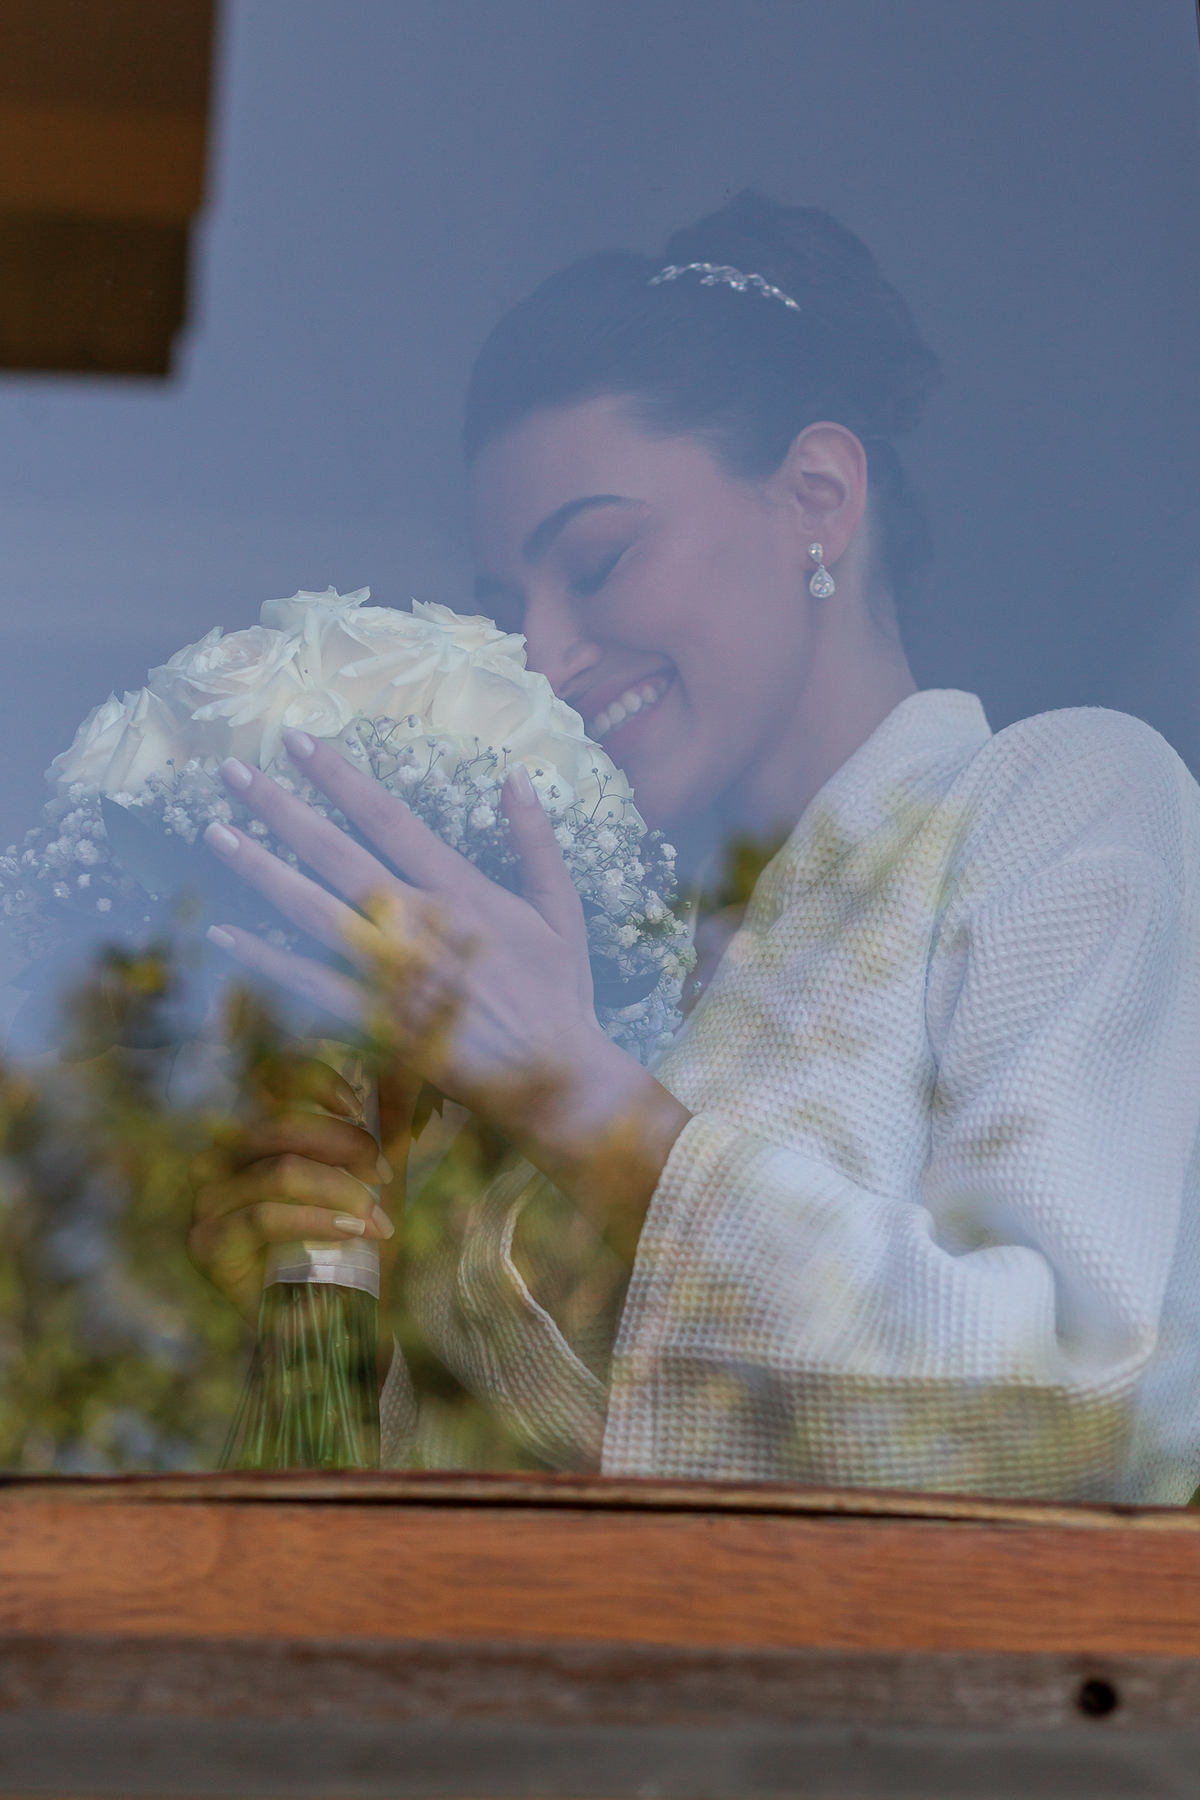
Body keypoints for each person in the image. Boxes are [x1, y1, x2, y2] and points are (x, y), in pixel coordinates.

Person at [187, 192, 1200, 1501]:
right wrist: (328, 1260)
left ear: (818, 497)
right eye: (510, 608)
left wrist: (585, 1103)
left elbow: (1055, 1409)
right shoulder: (621, 982)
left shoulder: (1060, 797)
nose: (543, 655)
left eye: (597, 560)